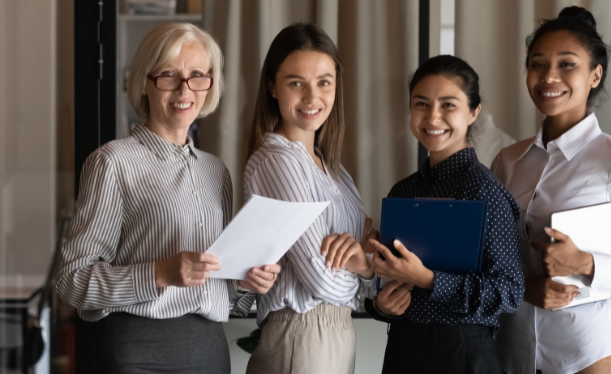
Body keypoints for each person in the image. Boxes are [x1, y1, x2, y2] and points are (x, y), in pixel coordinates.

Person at [56, 23, 280, 374]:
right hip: (137, 355)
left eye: (197, 75)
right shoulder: (113, 162)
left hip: (209, 353)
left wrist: (241, 283)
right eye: (169, 75)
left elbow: (223, 297)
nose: (184, 89)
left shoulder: (215, 172)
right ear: (145, 83)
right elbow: (71, 280)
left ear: (211, 83)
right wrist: (159, 273)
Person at [492, 7, 611, 374]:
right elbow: (492, 260)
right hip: (513, 354)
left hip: (589, 354)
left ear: (595, 75)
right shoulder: (507, 162)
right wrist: (526, 287)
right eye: (537, 64)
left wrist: (584, 263)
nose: (549, 76)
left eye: (567, 64)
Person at [365, 55, 525, 374]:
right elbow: (385, 280)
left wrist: (427, 280)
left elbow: (510, 291)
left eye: (448, 105)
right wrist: (381, 306)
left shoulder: (484, 191)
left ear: (473, 112)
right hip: (402, 348)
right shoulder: (402, 192)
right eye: (421, 104)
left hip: (463, 352)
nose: (433, 117)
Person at [243, 23, 377, 374]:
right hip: (302, 335)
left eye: (324, 82)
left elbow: (366, 259)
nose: (312, 97)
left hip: (337, 334)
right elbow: (320, 278)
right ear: (272, 86)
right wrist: (364, 267)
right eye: (295, 83)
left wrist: (363, 263)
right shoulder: (278, 161)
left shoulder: (335, 170)